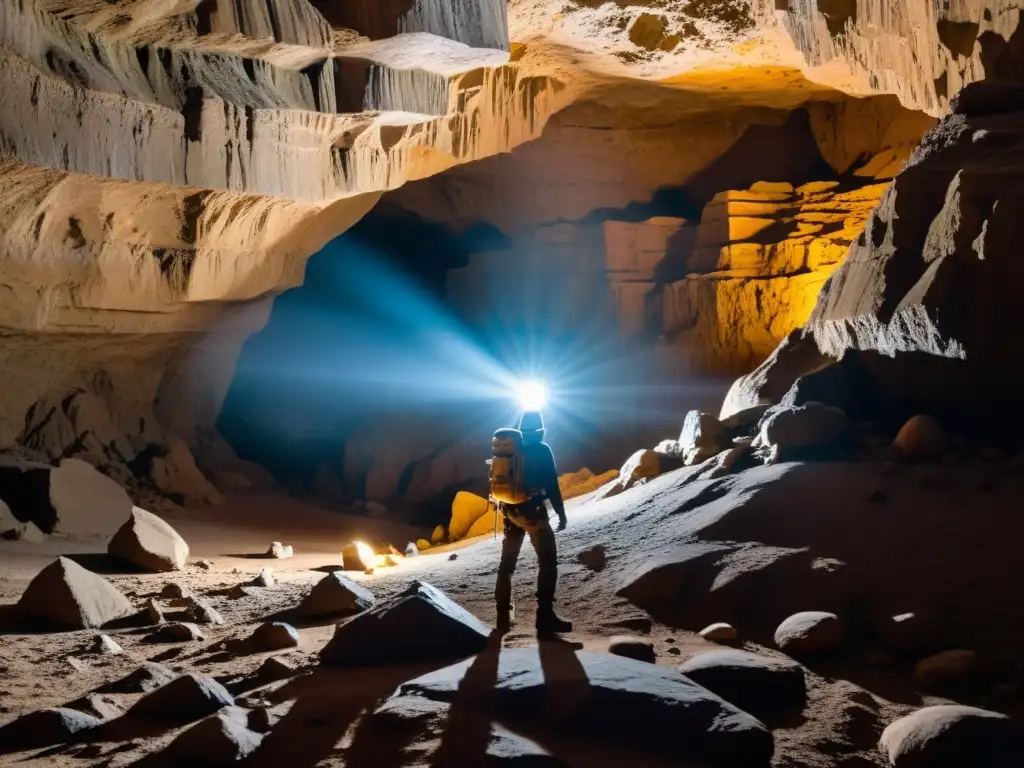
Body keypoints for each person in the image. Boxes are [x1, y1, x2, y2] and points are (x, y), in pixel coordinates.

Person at [494, 409, 573, 636]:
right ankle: (544, 617)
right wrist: (561, 513)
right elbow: (552, 485)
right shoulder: (541, 449)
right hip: (533, 512)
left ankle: (502, 616)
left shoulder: (510, 450)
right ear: (541, 430)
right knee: (548, 562)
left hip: (510, 511)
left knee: (507, 565)